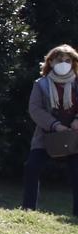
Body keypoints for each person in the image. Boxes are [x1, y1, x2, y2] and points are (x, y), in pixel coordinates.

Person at [23, 44, 78, 215]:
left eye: (67, 60)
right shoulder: (41, 84)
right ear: (51, 62)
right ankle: (28, 209)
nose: (63, 63)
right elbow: (35, 109)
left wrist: (77, 120)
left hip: (74, 135)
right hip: (47, 135)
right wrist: (55, 125)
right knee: (32, 166)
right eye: (59, 60)